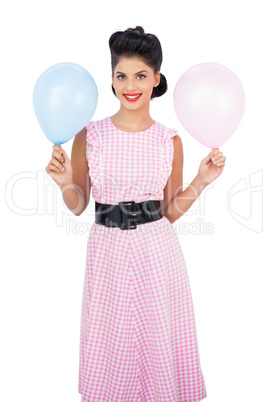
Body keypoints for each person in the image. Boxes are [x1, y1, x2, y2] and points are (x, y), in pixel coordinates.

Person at [46, 26, 226, 401]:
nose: (131, 85)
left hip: (156, 252)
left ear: (156, 79)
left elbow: (168, 211)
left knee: (155, 335)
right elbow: (79, 206)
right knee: (111, 338)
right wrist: (65, 181)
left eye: (141, 75)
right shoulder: (90, 135)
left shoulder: (168, 140)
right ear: (111, 78)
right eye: (122, 75)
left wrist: (202, 180)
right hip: (107, 251)